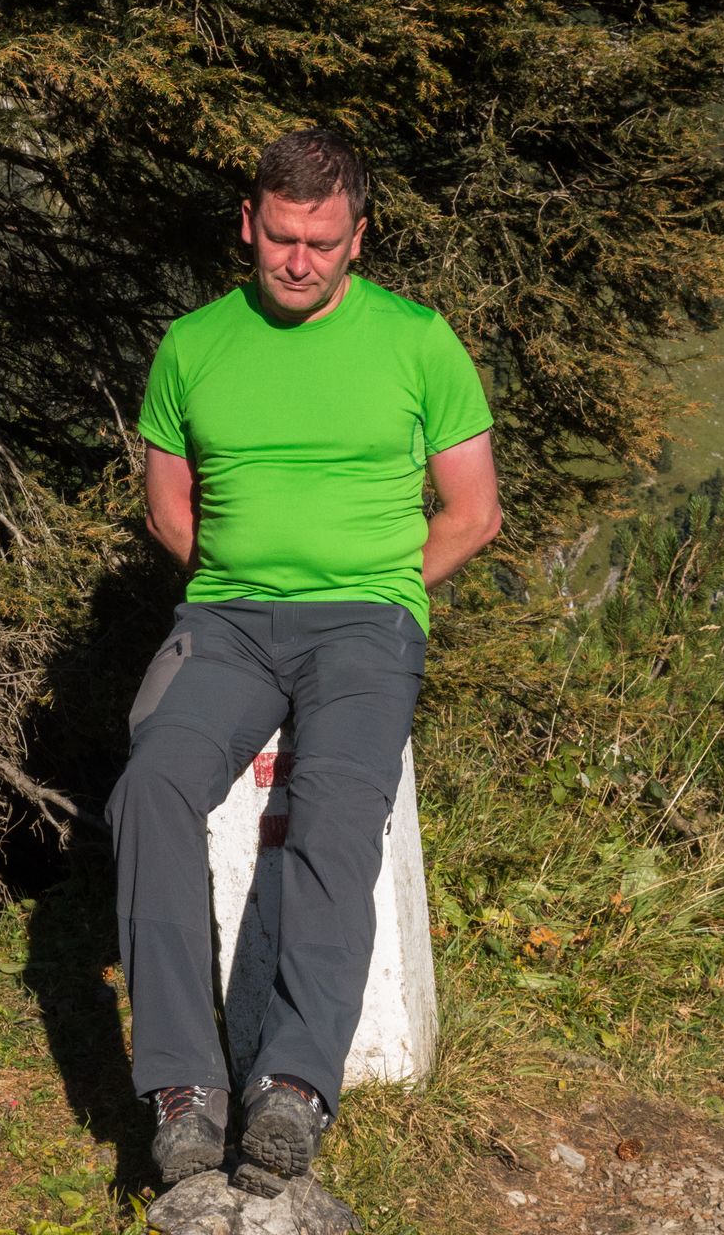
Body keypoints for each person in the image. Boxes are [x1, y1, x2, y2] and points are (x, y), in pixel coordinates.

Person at [107, 128, 501, 1196]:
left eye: (322, 243)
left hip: (367, 626)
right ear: (249, 223)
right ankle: (184, 1090)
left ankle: (292, 1086)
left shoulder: (417, 342)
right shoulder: (194, 343)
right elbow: (168, 505)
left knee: (334, 807)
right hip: (226, 622)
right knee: (149, 789)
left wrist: (380, 584)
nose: (298, 261)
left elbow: (474, 512)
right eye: (281, 237)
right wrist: (247, 575)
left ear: (357, 237)